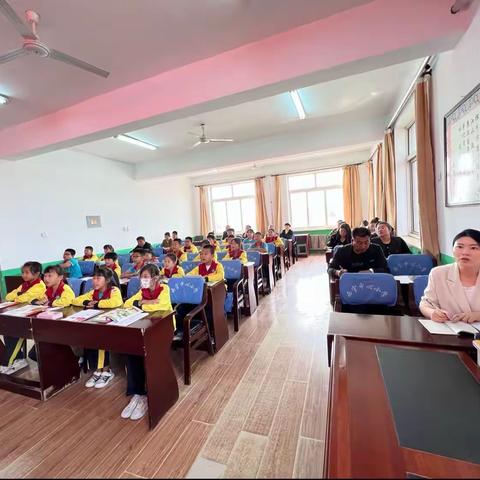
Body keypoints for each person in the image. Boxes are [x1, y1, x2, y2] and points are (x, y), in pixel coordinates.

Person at [122, 264, 173, 420]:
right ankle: (137, 394)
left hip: (164, 328)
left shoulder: (164, 289)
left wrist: (144, 304)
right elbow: (128, 303)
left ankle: (151, 393)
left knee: (150, 355)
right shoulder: (142, 292)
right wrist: (145, 302)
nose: (143, 280)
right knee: (132, 351)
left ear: (156, 278)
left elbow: (162, 305)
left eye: (146, 277)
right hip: (146, 327)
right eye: (141, 277)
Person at [72, 266, 123, 388]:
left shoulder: (114, 290)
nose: (94, 281)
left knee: (100, 340)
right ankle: (98, 370)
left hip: (113, 326)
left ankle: (105, 371)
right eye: (93, 278)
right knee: (92, 338)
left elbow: (115, 302)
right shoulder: (93, 292)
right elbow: (75, 300)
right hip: (97, 324)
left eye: (98, 278)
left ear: (107, 280)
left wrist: (97, 304)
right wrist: (86, 302)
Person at [420, 229, 480, 323]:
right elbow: (426, 303)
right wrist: (432, 313)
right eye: (459, 247)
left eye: (473, 248)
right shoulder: (438, 273)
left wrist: (478, 315)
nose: (465, 252)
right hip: (450, 330)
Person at [1, 262, 46, 375]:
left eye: (27, 272)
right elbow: (8, 296)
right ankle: (19, 358)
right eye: (22, 272)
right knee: (7, 332)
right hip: (19, 313)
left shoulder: (40, 285)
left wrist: (19, 295)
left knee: (14, 333)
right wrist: (20, 294)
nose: (24, 275)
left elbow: (23, 298)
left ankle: (8, 363)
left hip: (33, 319)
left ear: (36, 274)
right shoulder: (24, 285)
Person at [174, 245, 225, 341]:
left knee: (209, 310)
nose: (202, 256)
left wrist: (206, 278)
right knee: (182, 308)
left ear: (212, 255)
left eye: (206, 254)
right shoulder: (199, 267)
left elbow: (220, 276)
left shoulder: (218, 265)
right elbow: (189, 275)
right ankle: (182, 332)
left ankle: (212, 334)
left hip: (216, 293)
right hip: (200, 294)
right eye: (201, 254)